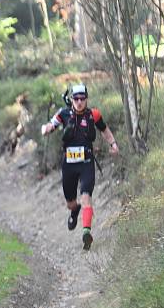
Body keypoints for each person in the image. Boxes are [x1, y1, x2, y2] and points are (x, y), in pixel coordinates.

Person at [40, 83, 119, 250]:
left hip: (86, 163)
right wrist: (46, 129)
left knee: (86, 197)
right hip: (69, 165)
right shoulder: (64, 114)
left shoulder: (94, 115)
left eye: (82, 98)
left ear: (86, 99)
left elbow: (105, 130)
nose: (79, 102)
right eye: (76, 99)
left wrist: (113, 144)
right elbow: (51, 125)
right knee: (71, 203)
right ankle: (74, 211)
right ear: (71, 99)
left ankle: (86, 233)